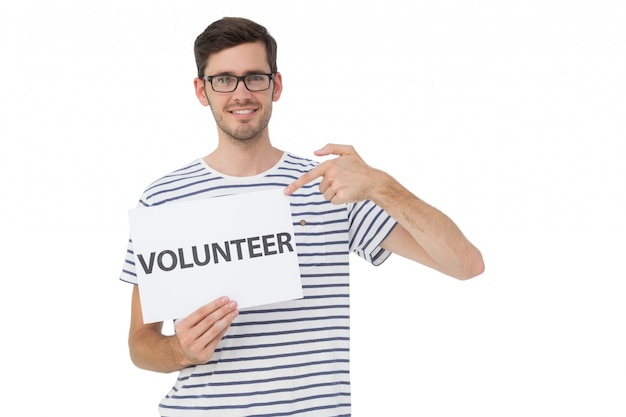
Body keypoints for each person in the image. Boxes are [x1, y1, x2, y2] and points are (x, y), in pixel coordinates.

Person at [120, 16, 484, 416]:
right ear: (201, 90)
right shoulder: (164, 199)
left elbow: (465, 264)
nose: (240, 93)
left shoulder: (330, 185)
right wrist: (179, 349)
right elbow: (141, 343)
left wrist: (381, 185)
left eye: (254, 77)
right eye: (223, 79)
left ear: (276, 85)